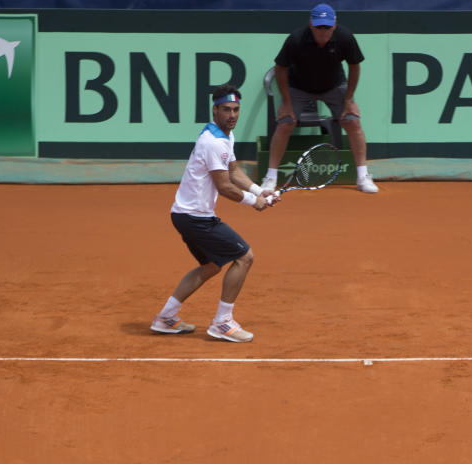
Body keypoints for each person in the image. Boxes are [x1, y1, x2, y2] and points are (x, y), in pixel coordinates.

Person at [150, 84, 277, 343]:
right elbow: (224, 186)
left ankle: (165, 318)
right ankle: (222, 323)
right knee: (244, 257)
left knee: (210, 266)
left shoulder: (222, 135)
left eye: (236, 109)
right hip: (196, 218)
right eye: (226, 109)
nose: (232, 114)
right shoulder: (213, 142)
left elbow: (233, 171)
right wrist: (254, 202)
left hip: (185, 214)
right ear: (215, 110)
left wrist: (259, 189)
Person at [261, 3, 378, 194]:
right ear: (310, 25)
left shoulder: (345, 37)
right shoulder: (296, 39)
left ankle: (363, 177)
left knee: (352, 122)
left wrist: (349, 99)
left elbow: (354, 66)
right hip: (299, 87)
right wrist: (286, 103)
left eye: (327, 27)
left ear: (334, 24)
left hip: (334, 86)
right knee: (285, 123)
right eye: (319, 27)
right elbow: (280, 68)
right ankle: (271, 178)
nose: (323, 32)